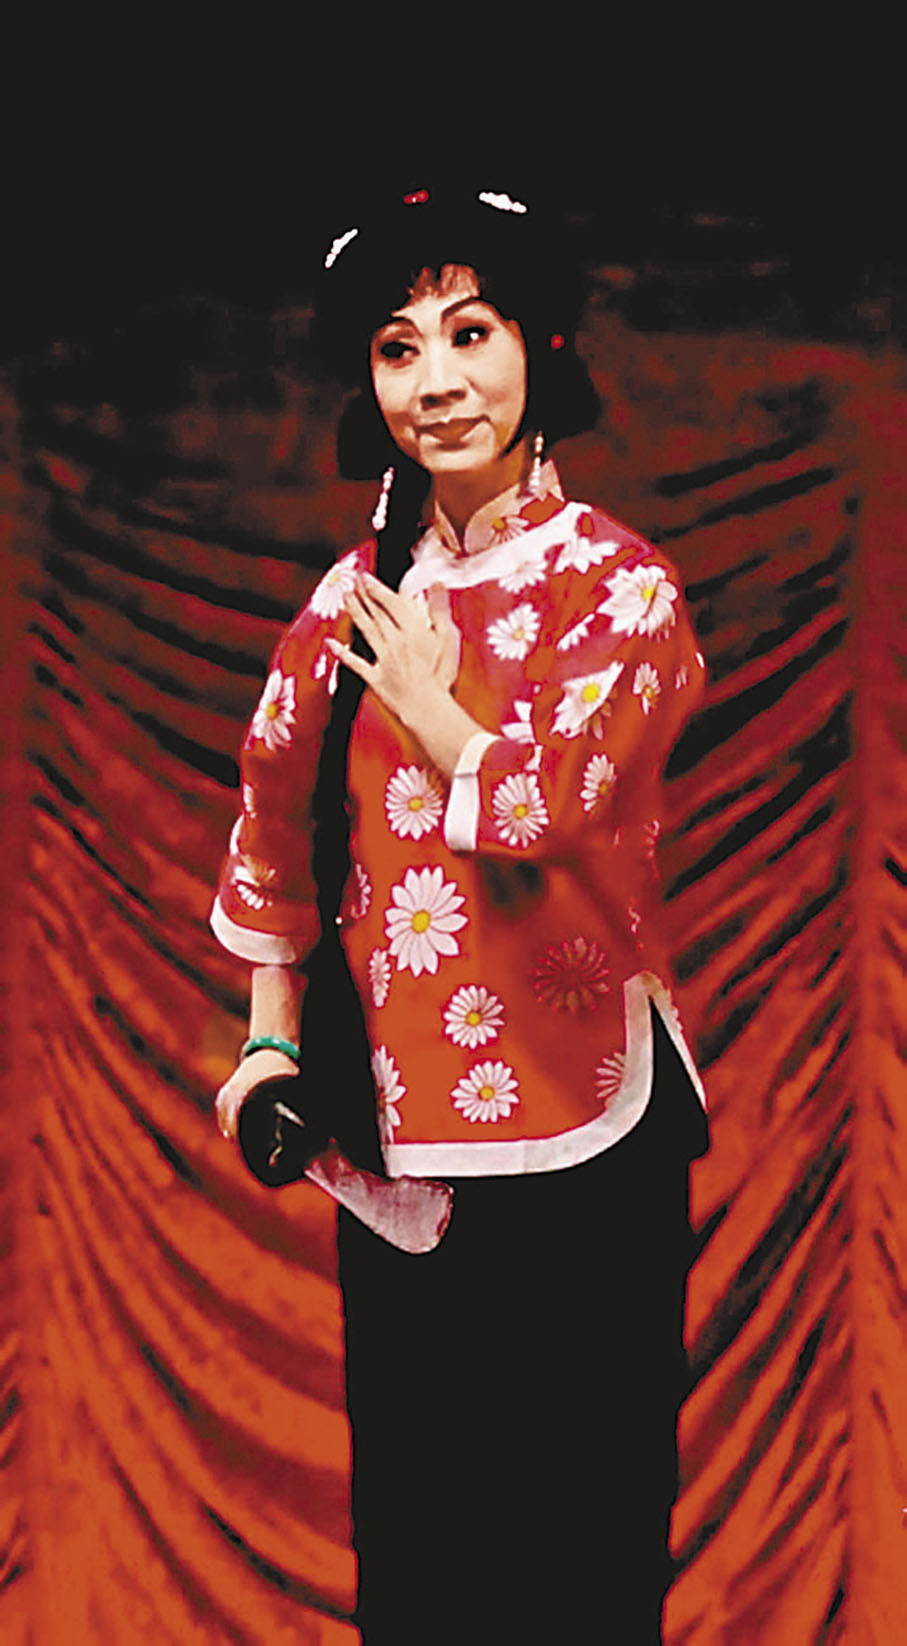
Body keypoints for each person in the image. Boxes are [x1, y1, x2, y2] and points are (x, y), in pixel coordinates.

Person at [211, 185, 710, 1644]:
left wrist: (437, 718)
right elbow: (275, 822)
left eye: (470, 332)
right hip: (406, 1142)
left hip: (584, 1123)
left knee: (580, 1555)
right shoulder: (349, 603)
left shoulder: (622, 589)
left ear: (539, 347)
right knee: (426, 1564)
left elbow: (566, 805)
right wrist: (271, 1040)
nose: (435, 380)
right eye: (396, 346)